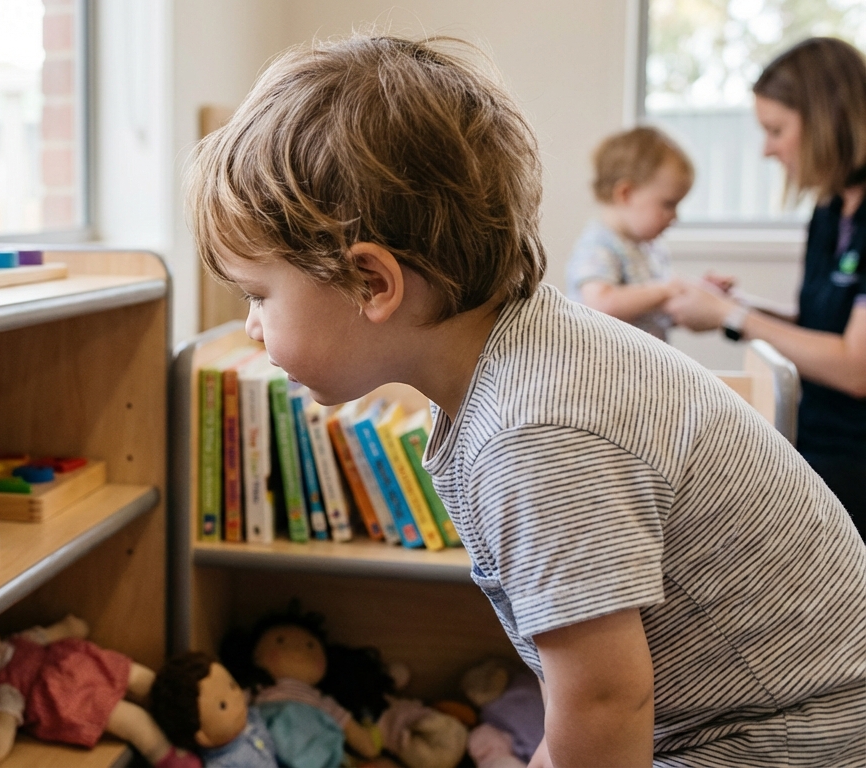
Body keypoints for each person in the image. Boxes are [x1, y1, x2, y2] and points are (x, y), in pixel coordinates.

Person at [189, 33, 866, 765]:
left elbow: (605, 704)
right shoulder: (530, 354)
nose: (251, 326)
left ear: (373, 284)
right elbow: (589, 691)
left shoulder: (534, 433)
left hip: (787, 735)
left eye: (259, 295)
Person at [666, 37, 866, 532]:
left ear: (827, 119)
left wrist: (734, 318)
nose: (767, 148)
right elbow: (827, 327)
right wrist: (735, 307)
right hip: (815, 437)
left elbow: (856, 366)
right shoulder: (829, 210)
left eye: (776, 130)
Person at [566, 127, 694, 339]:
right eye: (668, 204)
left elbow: (652, 309)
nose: (675, 217)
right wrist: (666, 291)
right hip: (603, 367)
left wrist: (694, 292)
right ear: (626, 194)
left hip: (642, 365)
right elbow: (601, 303)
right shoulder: (598, 245)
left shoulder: (648, 249)